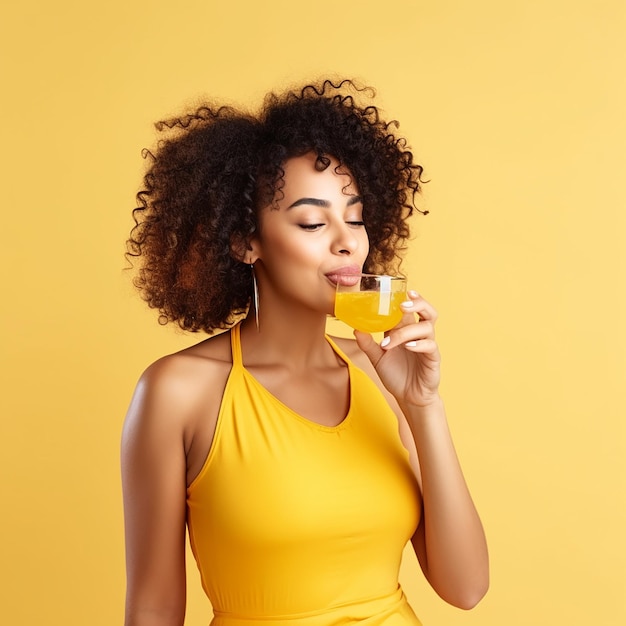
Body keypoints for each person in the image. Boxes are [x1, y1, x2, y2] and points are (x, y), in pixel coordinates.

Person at [121, 79, 489, 626]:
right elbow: (153, 608)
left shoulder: (382, 374)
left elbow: (466, 588)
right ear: (245, 241)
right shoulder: (178, 391)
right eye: (313, 222)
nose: (348, 242)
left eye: (356, 217)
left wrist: (423, 405)